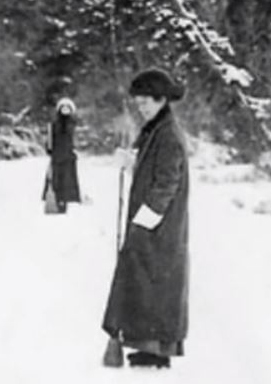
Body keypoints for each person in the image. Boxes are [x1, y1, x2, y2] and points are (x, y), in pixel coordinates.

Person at [102, 69, 189, 370]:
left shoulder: (169, 135)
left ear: (162, 100)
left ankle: (154, 350)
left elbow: (167, 181)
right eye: (138, 104)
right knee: (142, 285)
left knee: (155, 287)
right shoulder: (154, 129)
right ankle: (143, 345)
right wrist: (133, 163)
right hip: (150, 224)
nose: (142, 109)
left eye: (147, 103)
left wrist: (146, 218)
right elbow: (152, 169)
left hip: (160, 227)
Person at [48, 97, 81, 204]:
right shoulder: (54, 124)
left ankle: (69, 196)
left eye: (67, 108)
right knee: (57, 177)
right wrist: (50, 149)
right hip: (57, 155)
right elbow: (50, 138)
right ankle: (57, 196)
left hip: (68, 155)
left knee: (68, 178)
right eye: (63, 108)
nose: (65, 110)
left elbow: (74, 139)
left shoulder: (72, 124)